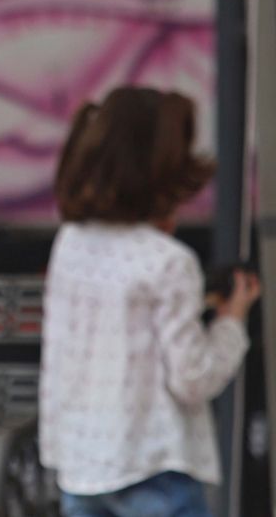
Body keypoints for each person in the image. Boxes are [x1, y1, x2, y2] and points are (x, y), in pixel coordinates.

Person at [39, 87, 260, 517]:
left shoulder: (71, 243)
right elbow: (192, 378)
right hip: (154, 467)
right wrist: (232, 321)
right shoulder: (169, 262)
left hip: (81, 466)